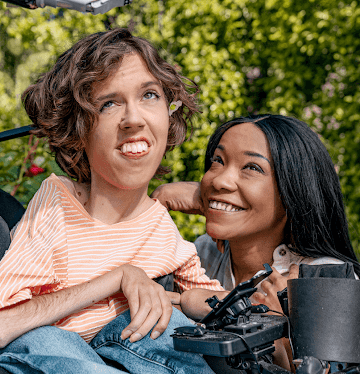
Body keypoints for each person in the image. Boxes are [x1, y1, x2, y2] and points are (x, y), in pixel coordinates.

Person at [0, 28, 227, 374]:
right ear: (78, 131)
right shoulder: (59, 206)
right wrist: (120, 277)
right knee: (53, 340)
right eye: (109, 103)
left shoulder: (160, 228)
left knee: (168, 329)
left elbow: (204, 299)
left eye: (150, 96)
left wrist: (260, 307)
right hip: (44, 356)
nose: (134, 119)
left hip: (121, 354)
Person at [153, 114, 360, 369]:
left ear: (294, 191)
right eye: (218, 161)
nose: (219, 180)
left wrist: (283, 331)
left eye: (251, 167)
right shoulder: (203, 252)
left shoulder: (326, 281)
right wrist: (157, 203)